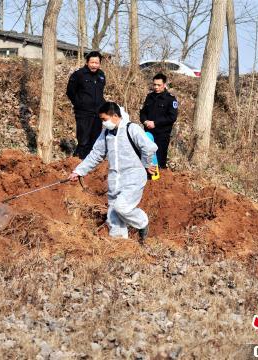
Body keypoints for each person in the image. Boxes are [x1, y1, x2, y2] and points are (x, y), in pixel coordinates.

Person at [68, 102, 158, 244]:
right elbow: (96, 154)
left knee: (121, 207)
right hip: (115, 179)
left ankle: (142, 223)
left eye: (105, 120)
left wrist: (146, 164)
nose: (103, 123)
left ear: (115, 116)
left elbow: (149, 147)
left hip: (133, 177)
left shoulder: (132, 128)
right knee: (113, 216)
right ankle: (120, 246)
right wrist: (79, 171)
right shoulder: (106, 133)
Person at [66, 51, 106, 159]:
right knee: (83, 139)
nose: (94, 65)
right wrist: (79, 103)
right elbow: (70, 92)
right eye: (92, 62)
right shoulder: (79, 74)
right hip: (83, 113)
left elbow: (101, 93)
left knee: (95, 139)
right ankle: (78, 160)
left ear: (99, 63)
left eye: (96, 63)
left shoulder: (101, 75)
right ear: (87, 62)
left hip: (97, 113)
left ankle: (91, 163)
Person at [139, 73, 178, 169]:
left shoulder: (170, 99)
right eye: (154, 84)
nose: (156, 87)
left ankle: (160, 180)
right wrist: (145, 121)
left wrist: (155, 123)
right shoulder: (149, 97)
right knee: (148, 158)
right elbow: (143, 113)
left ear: (164, 85)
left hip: (162, 135)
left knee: (160, 161)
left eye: (159, 85)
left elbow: (172, 117)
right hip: (148, 134)